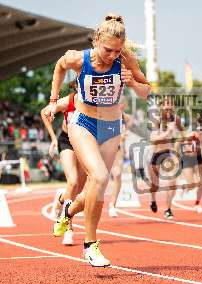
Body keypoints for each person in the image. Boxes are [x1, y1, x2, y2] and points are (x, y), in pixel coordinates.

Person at [49, 14, 150, 267]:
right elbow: (59, 66)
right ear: (96, 40)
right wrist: (53, 99)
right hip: (83, 122)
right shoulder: (78, 58)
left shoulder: (126, 60)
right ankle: (90, 246)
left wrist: (134, 85)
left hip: (111, 126)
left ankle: (68, 211)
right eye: (108, 49)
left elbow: (146, 89)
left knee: (95, 189)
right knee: (101, 177)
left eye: (117, 51)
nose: (113, 55)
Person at [41, 81, 87, 245]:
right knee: (73, 182)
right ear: (76, 87)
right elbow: (44, 112)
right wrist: (53, 139)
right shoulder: (68, 101)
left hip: (85, 142)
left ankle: (60, 199)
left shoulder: (95, 103)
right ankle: (69, 229)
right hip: (66, 141)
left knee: (80, 190)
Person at [148, 98, 183, 219]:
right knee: (154, 185)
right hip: (155, 154)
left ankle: (168, 209)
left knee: (173, 180)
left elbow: (183, 132)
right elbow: (152, 138)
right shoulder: (156, 119)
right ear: (161, 106)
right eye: (166, 105)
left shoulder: (175, 119)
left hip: (168, 154)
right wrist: (167, 133)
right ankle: (153, 200)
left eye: (171, 105)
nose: (169, 107)